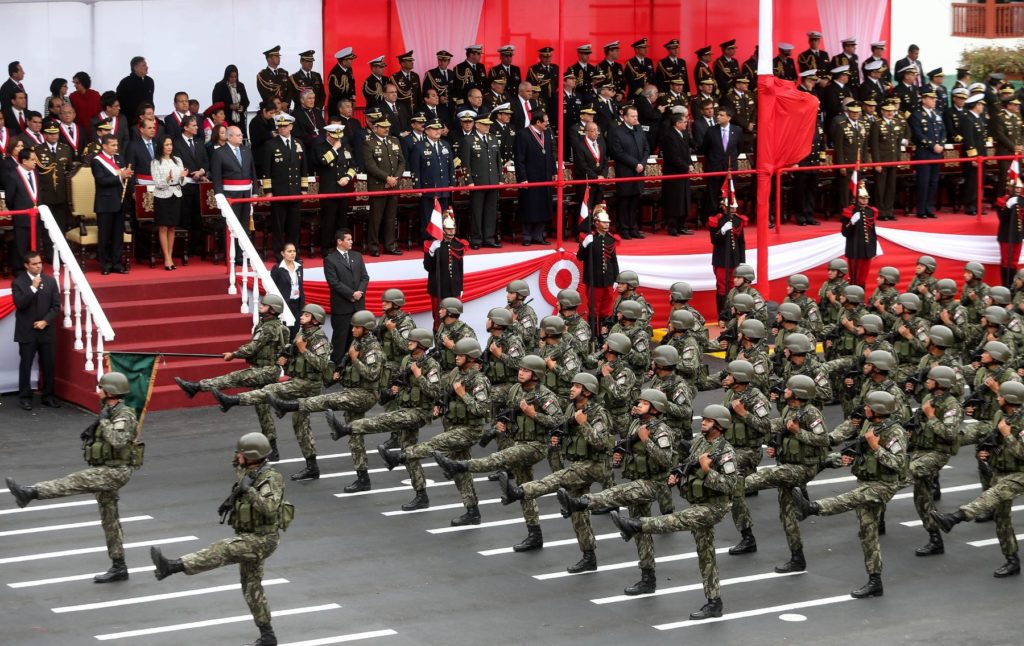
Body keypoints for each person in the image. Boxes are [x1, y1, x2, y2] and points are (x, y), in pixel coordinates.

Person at [150, 432, 290, 646]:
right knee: (251, 586)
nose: (237, 455)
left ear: (251, 456)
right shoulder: (248, 470)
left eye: (241, 453)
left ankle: (173, 566)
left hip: (263, 539)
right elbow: (238, 466)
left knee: (223, 548)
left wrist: (250, 492)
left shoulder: (271, 478)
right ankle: (268, 636)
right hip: (249, 535)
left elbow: (270, 508)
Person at [6, 372, 141, 583]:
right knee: (110, 520)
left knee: (75, 481)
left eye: (101, 387)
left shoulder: (124, 415)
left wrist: (103, 423)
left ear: (110, 392)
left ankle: (31, 492)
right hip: (106, 468)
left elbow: (117, 441)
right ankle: (119, 566)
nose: (97, 389)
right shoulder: (109, 410)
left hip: (115, 472)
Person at [609, 404, 738, 619]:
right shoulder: (699, 441)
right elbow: (688, 463)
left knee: (677, 520)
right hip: (699, 502)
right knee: (706, 555)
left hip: (714, 507)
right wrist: (678, 474)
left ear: (720, 426)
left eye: (708, 420)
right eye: (703, 418)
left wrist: (707, 471)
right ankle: (714, 602)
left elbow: (730, 485)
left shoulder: (726, 453)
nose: (703, 422)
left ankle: (637, 525)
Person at [436, 355, 566, 551]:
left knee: (499, 458)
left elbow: (559, 423)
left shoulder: (545, 397)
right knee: (525, 490)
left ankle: (459, 465)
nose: (521, 372)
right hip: (519, 441)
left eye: (526, 370)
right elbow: (507, 412)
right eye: (520, 369)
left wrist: (534, 414)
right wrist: (503, 425)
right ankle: (534, 534)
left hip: (536, 446)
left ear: (536, 375)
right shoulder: (514, 390)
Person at [793, 391, 909, 598]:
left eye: (868, 406)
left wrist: (875, 447)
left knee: (851, 498)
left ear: (878, 411)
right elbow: (861, 450)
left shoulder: (894, 432)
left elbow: (899, 464)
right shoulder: (870, 425)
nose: (864, 409)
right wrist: (844, 459)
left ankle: (814, 508)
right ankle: (875, 581)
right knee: (868, 533)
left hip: (883, 484)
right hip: (866, 479)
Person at [498, 372, 612, 573]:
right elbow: (563, 429)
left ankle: (520, 492)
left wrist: (583, 423)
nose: (571, 389)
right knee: (578, 514)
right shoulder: (570, 408)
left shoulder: (598, 413)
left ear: (587, 391)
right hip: (578, 463)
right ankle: (589, 557)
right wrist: (558, 439)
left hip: (594, 465)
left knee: (556, 478)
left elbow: (601, 443)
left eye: (576, 387)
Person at [213, 304, 332, 482]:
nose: (302, 317)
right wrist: (286, 359)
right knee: (300, 425)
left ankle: (233, 401)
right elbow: (294, 356)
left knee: (269, 390)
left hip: (309, 384)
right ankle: (312, 467)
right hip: (297, 380)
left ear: (315, 320)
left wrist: (302, 350)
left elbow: (321, 365)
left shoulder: (320, 339)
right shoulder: (301, 334)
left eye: (306, 315)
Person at [331, 328, 442, 510]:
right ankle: (421, 495)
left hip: (420, 412)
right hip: (406, 408)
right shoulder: (407, 360)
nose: (408, 342)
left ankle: (347, 428)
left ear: (422, 345)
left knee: (384, 420)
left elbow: (435, 392)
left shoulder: (431, 365)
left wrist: (418, 375)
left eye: (413, 341)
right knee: (410, 453)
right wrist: (396, 390)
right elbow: (402, 384)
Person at [175, 294, 290, 460]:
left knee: (234, 378)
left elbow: (252, 347)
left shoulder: (268, 328)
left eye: (265, 305)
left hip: (265, 370)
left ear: (272, 310)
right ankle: (273, 449)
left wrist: (233, 354)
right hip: (265, 368)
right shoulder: (271, 325)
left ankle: (196, 387)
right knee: (262, 409)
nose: (261, 305)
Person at [932, 380, 1024, 578]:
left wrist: (1008, 436)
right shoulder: (1001, 415)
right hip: (1001, 470)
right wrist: (987, 453)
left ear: (1009, 400)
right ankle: (1012, 560)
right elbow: (994, 440)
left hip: (1020, 473)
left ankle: (955, 517)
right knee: (1001, 516)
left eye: (1000, 396)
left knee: (992, 495)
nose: (997, 398)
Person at [12, 252, 60, 410]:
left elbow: (56, 307)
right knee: (25, 364)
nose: (38, 265)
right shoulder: (18, 283)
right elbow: (20, 304)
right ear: (26, 265)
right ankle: (25, 397)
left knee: (48, 364)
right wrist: (32, 288)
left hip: (46, 331)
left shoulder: (51, 281)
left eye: (39, 262)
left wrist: (45, 321)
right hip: (27, 332)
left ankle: (49, 396)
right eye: (34, 263)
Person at [261, 113, 307, 254]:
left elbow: (303, 168)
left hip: (294, 191)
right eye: (279, 126)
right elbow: (266, 171)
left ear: (291, 126)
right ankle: (279, 252)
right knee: (279, 226)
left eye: (285, 126)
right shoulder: (271, 144)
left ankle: (293, 252)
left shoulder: (298, 143)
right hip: (279, 192)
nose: (282, 129)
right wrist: (268, 191)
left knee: (294, 225)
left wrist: (304, 188)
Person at [210, 126, 258, 261]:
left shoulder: (246, 150)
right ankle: (232, 255)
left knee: (245, 226)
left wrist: (254, 193)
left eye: (241, 134)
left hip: (246, 194)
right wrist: (220, 197)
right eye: (237, 135)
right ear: (229, 137)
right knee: (232, 227)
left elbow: (253, 172)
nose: (241, 137)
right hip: (230, 195)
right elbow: (216, 177)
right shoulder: (219, 153)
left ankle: (244, 255)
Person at [324, 229, 368, 364]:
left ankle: (353, 367)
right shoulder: (330, 259)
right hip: (342, 308)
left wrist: (359, 292)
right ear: (339, 241)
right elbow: (334, 282)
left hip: (358, 306)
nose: (351, 242)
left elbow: (364, 277)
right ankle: (336, 368)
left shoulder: (357, 255)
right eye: (348, 239)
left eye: (351, 239)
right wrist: (351, 294)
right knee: (340, 340)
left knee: (357, 340)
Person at [91, 134, 133, 274]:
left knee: (117, 236)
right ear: (104, 146)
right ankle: (105, 265)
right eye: (113, 145)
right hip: (105, 203)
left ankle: (116, 263)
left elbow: (124, 178)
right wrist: (120, 176)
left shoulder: (119, 158)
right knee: (105, 236)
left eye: (116, 145)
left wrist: (127, 176)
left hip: (120, 202)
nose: (116, 147)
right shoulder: (97, 161)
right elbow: (101, 181)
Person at [364, 118, 405, 256]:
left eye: (387, 126)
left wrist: (395, 179)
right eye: (382, 127)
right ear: (375, 128)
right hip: (378, 186)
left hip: (393, 186)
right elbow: (370, 166)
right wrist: (387, 178)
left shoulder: (394, 141)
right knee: (376, 219)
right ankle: (374, 247)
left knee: (390, 218)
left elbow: (401, 162)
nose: (386, 129)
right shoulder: (369, 143)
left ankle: (390, 245)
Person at [514, 111, 556, 245]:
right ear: (537, 122)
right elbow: (519, 159)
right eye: (546, 121)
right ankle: (526, 237)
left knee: (544, 206)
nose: (548, 124)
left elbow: (550, 153)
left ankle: (538, 235)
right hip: (530, 178)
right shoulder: (523, 134)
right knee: (529, 207)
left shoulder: (547, 134)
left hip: (545, 176)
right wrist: (522, 178)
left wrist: (554, 171)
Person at [314, 123, 356, 256]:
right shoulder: (320, 147)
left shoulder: (346, 147)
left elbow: (353, 166)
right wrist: (334, 149)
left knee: (342, 221)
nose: (338, 140)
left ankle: (342, 247)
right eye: (334, 137)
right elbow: (323, 161)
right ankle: (326, 248)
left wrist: (348, 178)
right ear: (328, 135)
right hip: (329, 191)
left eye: (339, 137)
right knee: (328, 221)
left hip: (343, 190)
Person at [410, 118, 456, 240]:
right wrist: (417, 188)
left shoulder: (445, 144)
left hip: (444, 187)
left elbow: (450, 166)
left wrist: (452, 183)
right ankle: (428, 240)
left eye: (439, 129)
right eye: (434, 129)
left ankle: (443, 238)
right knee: (428, 216)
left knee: (444, 215)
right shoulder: (419, 147)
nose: (437, 131)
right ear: (427, 131)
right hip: (428, 188)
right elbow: (416, 170)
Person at [461, 112, 501, 248]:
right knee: (477, 212)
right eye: (485, 124)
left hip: (492, 181)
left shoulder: (493, 138)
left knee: (491, 211)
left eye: (489, 124)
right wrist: (469, 181)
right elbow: (465, 164)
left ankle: (489, 238)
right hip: (477, 182)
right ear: (477, 125)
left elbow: (497, 162)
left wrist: (500, 179)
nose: (488, 127)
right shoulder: (468, 140)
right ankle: (476, 239)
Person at [609, 105, 649, 238]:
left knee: (635, 201)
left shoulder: (639, 130)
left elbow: (646, 149)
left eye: (636, 116)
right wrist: (634, 164)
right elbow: (617, 152)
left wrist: (642, 163)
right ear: (625, 117)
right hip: (625, 171)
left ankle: (634, 228)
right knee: (625, 201)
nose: (635, 118)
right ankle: (624, 229)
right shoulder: (617, 131)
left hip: (639, 171)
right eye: (632, 116)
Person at [150, 135, 186, 270]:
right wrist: (167, 179)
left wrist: (182, 177)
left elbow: (183, 182)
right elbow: (157, 182)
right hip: (162, 196)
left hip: (176, 194)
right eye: (166, 145)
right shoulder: (155, 162)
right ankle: (166, 257)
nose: (169, 147)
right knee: (163, 227)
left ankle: (170, 255)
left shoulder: (177, 160)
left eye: (170, 144)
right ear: (161, 146)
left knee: (172, 227)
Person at [909, 90, 947, 218]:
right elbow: (918, 134)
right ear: (924, 100)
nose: (934, 101)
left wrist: (941, 144)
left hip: (937, 154)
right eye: (931, 98)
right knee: (923, 182)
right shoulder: (917, 115)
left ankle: (929, 208)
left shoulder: (937, 113)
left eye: (934, 99)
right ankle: (921, 209)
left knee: (933, 182)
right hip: (925, 153)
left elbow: (943, 131)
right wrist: (932, 145)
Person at [709, 195, 747, 319]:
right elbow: (714, 240)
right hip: (721, 260)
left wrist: (742, 262)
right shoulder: (717, 221)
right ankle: (722, 316)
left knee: (734, 287)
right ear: (724, 207)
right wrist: (723, 230)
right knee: (722, 289)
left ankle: (734, 314)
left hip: (734, 260)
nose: (733, 210)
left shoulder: (738, 220)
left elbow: (741, 242)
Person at [425, 216, 466, 326]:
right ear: (442, 229)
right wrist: (432, 252)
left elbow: (460, 269)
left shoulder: (458, 245)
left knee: (454, 318)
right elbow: (428, 267)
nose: (451, 231)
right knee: (439, 320)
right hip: (439, 289)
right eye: (448, 229)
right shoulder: (433, 245)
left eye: (453, 229)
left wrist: (461, 287)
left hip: (454, 289)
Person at [660, 109, 694, 235]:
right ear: (677, 123)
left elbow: (686, 151)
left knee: (684, 199)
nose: (686, 124)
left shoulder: (684, 134)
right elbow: (673, 157)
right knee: (674, 200)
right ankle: (673, 226)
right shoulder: (669, 135)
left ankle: (682, 224)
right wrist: (686, 167)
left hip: (684, 172)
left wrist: (690, 164)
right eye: (685, 122)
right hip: (673, 173)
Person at [6, 148, 43, 261]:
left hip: (36, 217)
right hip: (21, 217)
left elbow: (39, 193)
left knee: (35, 244)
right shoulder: (13, 175)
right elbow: (9, 199)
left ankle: (34, 267)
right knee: (21, 245)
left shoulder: (35, 173)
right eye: (32, 159)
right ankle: (19, 269)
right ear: (24, 161)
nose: (35, 162)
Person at [841, 183, 879, 288]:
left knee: (863, 277)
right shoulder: (850, 211)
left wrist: (874, 248)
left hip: (867, 250)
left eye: (866, 198)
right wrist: (851, 223)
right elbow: (845, 232)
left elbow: (872, 231)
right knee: (855, 277)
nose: (865, 200)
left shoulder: (871, 211)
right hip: (855, 249)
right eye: (862, 198)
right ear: (857, 198)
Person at [270, 242, 304, 338]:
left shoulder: (299, 267)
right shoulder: (277, 268)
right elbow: (272, 288)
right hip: (284, 305)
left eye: (294, 251)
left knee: (295, 332)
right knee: (284, 334)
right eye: (289, 251)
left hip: (297, 304)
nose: (292, 253)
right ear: (282, 253)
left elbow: (300, 287)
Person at [212, 65, 251, 137]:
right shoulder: (219, 86)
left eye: (235, 77)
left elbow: (246, 101)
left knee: (241, 139)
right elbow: (216, 104)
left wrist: (242, 107)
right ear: (226, 76)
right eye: (231, 77)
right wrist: (229, 106)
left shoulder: (240, 85)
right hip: (226, 119)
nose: (233, 79)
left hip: (240, 120)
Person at [115, 56, 154, 126]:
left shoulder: (150, 81)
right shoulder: (125, 82)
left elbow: (150, 100)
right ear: (135, 68)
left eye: (146, 65)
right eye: (143, 65)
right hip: (131, 121)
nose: (147, 67)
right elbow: (121, 102)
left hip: (148, 120)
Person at [327, 48, 357, 120]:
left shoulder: (349, 69)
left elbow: (352, 85)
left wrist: (353, 100)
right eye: (350, 59)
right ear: (343, 61)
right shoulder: (334, 74)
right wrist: (346, 104)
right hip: (336, 108)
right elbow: (335, 94)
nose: (352, 61)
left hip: (347, 106)